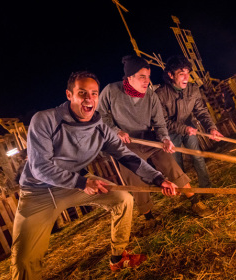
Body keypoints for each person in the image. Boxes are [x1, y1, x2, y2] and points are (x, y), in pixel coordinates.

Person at [11, 71, 179, 279]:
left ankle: (118, 257)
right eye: (82, 93)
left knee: (123, 199)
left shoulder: (100, 128)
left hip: (78, 183)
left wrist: (158, 179)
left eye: (94, 93)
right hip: (39, 192)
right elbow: (39, 167)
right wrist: (81, 182)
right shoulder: (45, 120)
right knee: (24, 260)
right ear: (69, 95)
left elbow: (127, 157)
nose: (89, 99)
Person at [97, 55, 213, 227]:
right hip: (126, 145)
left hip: (148, 139)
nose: (147, 81)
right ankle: (149, 218)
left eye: (149, 76)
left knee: (171, 164)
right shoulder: (111, 91)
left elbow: (159, 123)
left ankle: (195, 200)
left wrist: (165, 139)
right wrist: (116, 131)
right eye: (142, 76)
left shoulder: (151, 96)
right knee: (135, 177)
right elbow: (101, 116)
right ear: (129, 77)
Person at [156, 55, 223, 191]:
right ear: (170, 75)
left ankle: (206, 188)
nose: (186, 78)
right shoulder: (160, 94)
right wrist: (183, 129)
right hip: (170, 133)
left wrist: (211, 128)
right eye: (181, 74)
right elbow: (163, 122)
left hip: (188, 127)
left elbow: (201, 111)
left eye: (187, 73)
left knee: (197, 157)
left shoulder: (193, 89)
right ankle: (188, 193)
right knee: (177, 164)